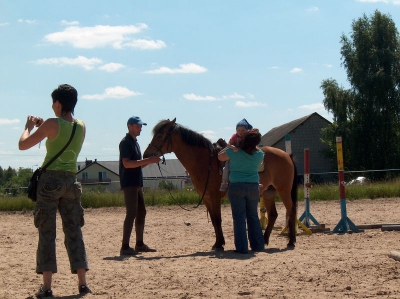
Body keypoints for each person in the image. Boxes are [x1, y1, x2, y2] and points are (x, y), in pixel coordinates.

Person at [18, 84, 91, 298]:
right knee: (74, 231)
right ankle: (83, 283)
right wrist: (46, 125)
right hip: (72, 182)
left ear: (58, 103)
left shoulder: (51, 123)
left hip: (50, 181)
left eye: (53, 103)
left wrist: (28, 127)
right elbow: (62, 136)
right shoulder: (82, 126)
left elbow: (23, 145)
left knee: (47, 233)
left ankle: (47, 287)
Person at [218, 129, 265, 253]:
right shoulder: (260, 155)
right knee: (253, 216)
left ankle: (242, 248)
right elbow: (256, 149)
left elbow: (220, 157)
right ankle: (258, 246)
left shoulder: (234, 152)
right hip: (254, 186)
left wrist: (233, 147)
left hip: (237, 186)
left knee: (239, 218)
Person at [119, 116, 161, 255]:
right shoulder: (125, 143)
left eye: (141, 126)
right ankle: (125, 246)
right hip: (129, 183)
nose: (140, 128)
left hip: (136, 182)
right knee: (131, 213)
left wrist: (151, 161)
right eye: (138, 126)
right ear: (129, 126)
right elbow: (127, 163)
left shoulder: (135, 143)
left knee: (141, 212)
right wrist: (148, 159)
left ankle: (139, 244)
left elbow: (137, 164)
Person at [219, 118, 253, 191]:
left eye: (243, 130)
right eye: (238, 130)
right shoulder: (234, 136)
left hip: (244, 155)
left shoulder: (248, 137)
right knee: (226, 168)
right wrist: (233, 147)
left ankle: (255, 182)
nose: (240, 132)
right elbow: (228, 144)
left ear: (247, 130)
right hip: (234, 156)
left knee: (252, 167)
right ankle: (224, 182)